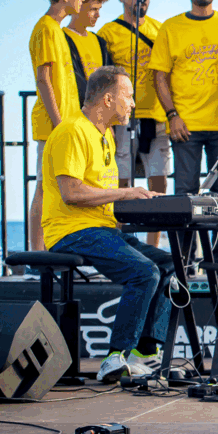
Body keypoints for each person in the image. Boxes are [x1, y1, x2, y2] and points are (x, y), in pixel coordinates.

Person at [43, 66, 174, 383]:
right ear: (107, 98)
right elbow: (71, 193)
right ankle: (115, 359)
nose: (132, 104)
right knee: (144, 271)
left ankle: (143, 353)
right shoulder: (72, 131)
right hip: (71, 231)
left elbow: (103, 197)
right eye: (128, 96)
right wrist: (127, 192)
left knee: (171, 262)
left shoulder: (103, 136)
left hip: (100, 228)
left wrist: (149, 203)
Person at [149, 0, 218, 197]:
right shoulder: (170, 27)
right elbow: (159, 76)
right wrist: (172, 116)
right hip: (186, 126)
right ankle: (187, 237)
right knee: (185, 192)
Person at [98, 0, 172, 220]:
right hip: (120, 118)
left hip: (155, 115)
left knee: (159, 178)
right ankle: (120, 234)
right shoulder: (108, 32)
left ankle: (157, 240)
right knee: (120, 176)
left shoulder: (160, 29)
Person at [28, 0, 85, 251]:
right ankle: (36, 256)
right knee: (43, 187)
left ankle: (50, 251)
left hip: (63, 124)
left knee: (56, 189)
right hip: (53, 125)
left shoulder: (58, 31)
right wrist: (60, 123)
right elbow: (44, 79)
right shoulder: (46, 28)